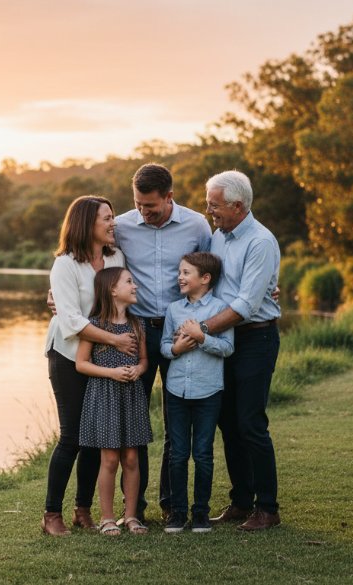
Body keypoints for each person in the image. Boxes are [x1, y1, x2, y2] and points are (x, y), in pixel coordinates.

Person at [114, 163, 211, 522]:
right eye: (138, 204)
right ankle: (133, 508)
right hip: (135, 332)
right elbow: (89, 254)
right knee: (133, 421)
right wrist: (57, 289)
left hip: (180, 332)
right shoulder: (122, 226)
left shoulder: (197, 225)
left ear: (169, 197)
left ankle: (173, 504)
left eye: (150, 205)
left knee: (177, 419)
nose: (143, 211)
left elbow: (213, 271)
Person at [42, 195, 135, 536]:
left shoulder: (115, 256)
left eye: (113, 217)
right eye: (106, 218)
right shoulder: (65, 265)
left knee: (96, 436)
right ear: (86, 224)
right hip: (67, 355)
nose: (113, 223)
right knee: (71, 437)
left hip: (101, 358)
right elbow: (70, 318)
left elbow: (120, 300)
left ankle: (83, 508)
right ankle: (51, 514)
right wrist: (114, 340)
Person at [198, 170, 283, 531]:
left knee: (250, 422)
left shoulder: (261, 242)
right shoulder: (219, 237)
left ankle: (268, 509)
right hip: (228, 340)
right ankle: (240, 501)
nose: (209, 210)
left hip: (255, 338)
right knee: (228, 422)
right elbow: (215, 289)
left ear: (237, 205)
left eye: (214, 205)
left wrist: (199, 330)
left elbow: (246, 305)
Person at [159, 252, 234, 534]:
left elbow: (228, 348)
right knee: (178, 453)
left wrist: (202, 337)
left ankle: (200, 513)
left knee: (203, 454)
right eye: (180, 272)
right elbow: (165, 346)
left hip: (208, 391)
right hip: (177, 390)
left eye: (186, 272)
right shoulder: (174, 310)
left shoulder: (220, 309)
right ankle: (177, 513)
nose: (180, 277)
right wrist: (175, 350)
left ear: (205, 278)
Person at [75, 267, 152, 535]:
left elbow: (144, 361)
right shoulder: (94, 325)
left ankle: (130, 516)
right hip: (104, 395)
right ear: (112, 289)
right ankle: (107, 518)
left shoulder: (137, 324)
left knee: (131, 458)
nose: (135, 285)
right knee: (109, 459)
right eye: (129, 281)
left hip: (131, 396)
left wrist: (139, 371)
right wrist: (112, 373)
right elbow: (81, 364)